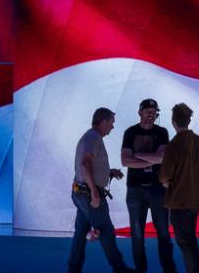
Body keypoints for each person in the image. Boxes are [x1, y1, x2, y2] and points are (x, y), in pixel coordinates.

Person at [68, 107, 133, 273]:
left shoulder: (92, 136)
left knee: (81, 231)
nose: (112, 127)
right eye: (111, 122)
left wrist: (109, 172)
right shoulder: (93, 137)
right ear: (103, 121)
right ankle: (119, 268)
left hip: (82, 192)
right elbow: (85, 163)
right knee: (106, 230)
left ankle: (73, 268)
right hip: (89, 194)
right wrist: (95, 192)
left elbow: (90, 164)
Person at [121, 98, 176, 273]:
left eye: (154, 112)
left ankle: (169, 269)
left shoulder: (161, 132)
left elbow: (162, 158)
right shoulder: (130, 132)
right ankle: (140, 269)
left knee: (163, 233)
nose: (151, 114)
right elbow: (125, 161)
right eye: (148, 111)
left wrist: (137, 155)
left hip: (157, 189)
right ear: (140, 112)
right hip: (135, 190)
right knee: (137, 235)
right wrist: (151, 158)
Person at [159, 103, 199, 273]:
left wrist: (166, 181)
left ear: (173, 121)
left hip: (179, 201)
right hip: (195, 200)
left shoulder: (174, 144)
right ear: (189, 120)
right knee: (190, 239)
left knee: (185, 242)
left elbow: (165, 175)